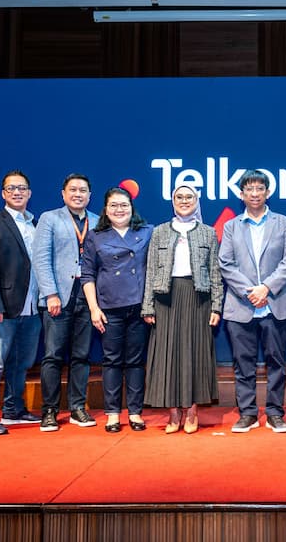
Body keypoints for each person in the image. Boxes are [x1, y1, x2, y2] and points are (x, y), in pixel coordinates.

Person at [219, 170, 286, 434]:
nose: (254, 193)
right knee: (243, 364)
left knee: (277, 363)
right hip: (241, 306)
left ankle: (275, 413)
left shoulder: (282, 222)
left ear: (267, 192)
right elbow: (225, 264)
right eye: (249, 189)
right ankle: (248, 413)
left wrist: (266, 288)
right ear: (241, 194)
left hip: (275, 304)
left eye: (259, 188)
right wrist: (249, 291)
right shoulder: (231, 226)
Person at [141, 185, 222, 434]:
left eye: (189, 197)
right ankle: (173, 413)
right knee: (167, 355)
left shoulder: (208, 232)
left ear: (196, 201)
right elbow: (151, 271)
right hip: (166, 298)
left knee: (195, 354)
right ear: (172, 201)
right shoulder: (159, 232)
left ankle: (193, 411)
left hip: (198, 299)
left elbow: (215, 272)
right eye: (179, 197)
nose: (184, 201)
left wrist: (217, 306)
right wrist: (148, 306)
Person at [0, 170, 42, 435]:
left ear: (29, 193)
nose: (17, 192)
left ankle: (13, 409)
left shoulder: (35, 224)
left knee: (21, 363)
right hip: (0, 307)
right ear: (3, 193)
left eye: (22, 188)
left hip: (31, 307)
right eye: (11, 188)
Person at [82, 187, 153, 433]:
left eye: (124, 205)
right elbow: (87, 274)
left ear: (132, 207)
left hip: (139, 308)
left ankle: (135, 412)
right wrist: (94, 308)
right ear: (105, 209)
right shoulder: (95, 236)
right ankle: (112, 414)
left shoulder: (147, 231)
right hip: (109, 307)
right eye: (113, 205)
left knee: (135, 362)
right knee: (111, 361)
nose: (119, 209)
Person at [33, 173, 99, 432]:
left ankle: (77, 407)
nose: (78, 194)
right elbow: (41, 258)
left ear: (90, 195)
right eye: (73, 190)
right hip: (58, 296)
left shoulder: (97, 221)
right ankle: (49, 410)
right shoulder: (50, 218)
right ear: (63, 193)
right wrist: (50, 293)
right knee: (53, 355)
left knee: (81, 355)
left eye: (83, 190)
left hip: (87, 296)